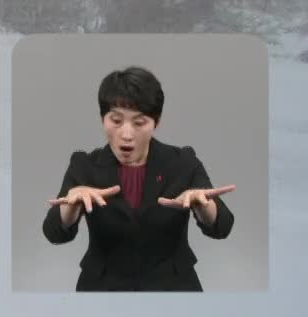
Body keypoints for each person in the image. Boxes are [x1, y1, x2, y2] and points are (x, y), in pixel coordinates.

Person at [42, 65, 235, 291]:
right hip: (102, 288)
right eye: (115, 120)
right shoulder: (84, 166)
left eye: (139, 122)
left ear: (156, 122)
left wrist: (204, 205)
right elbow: (54, 232)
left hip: (174, 287)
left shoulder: (183, 162)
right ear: (102, 119)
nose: (126, 134)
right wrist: (71, 207)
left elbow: (222, 227)